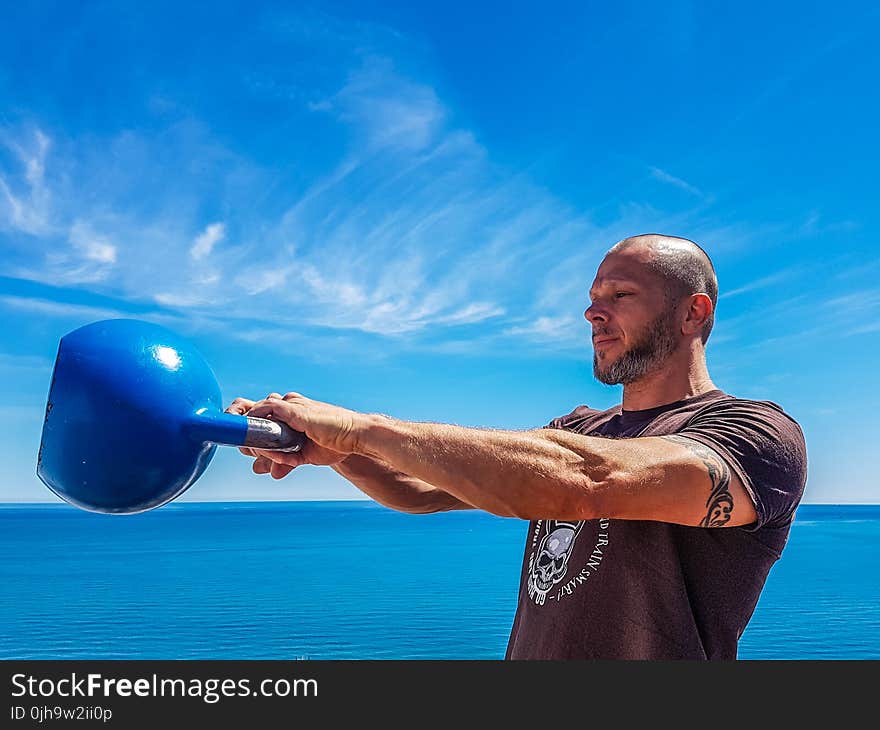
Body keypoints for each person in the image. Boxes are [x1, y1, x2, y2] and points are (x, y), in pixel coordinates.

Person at [226, 233, 808, 660]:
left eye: (620, 294)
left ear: (693, 311)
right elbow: (425, 490)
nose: (592, 312)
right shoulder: (579, 430)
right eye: (592, 296)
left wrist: (360, 429)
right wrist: (339, 453)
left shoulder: (754, 435)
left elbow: (585, 482)